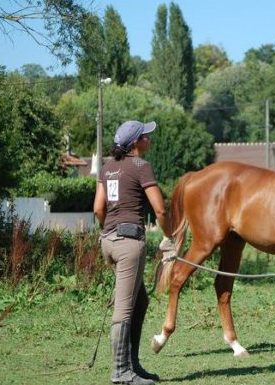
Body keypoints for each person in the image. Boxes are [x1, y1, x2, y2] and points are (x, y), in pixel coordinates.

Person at [94, 120, 172, 385]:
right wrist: (170, 235)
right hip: (129, 244)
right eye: (145, 136)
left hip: (109, 241)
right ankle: (120, 372)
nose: (149, 139)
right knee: (124, 309)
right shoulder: (141, 166)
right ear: (135, 143)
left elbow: (98, 208)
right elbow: (160, 210)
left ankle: (132, 365)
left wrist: (108, 232)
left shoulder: (106, 168)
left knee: (140, 302)